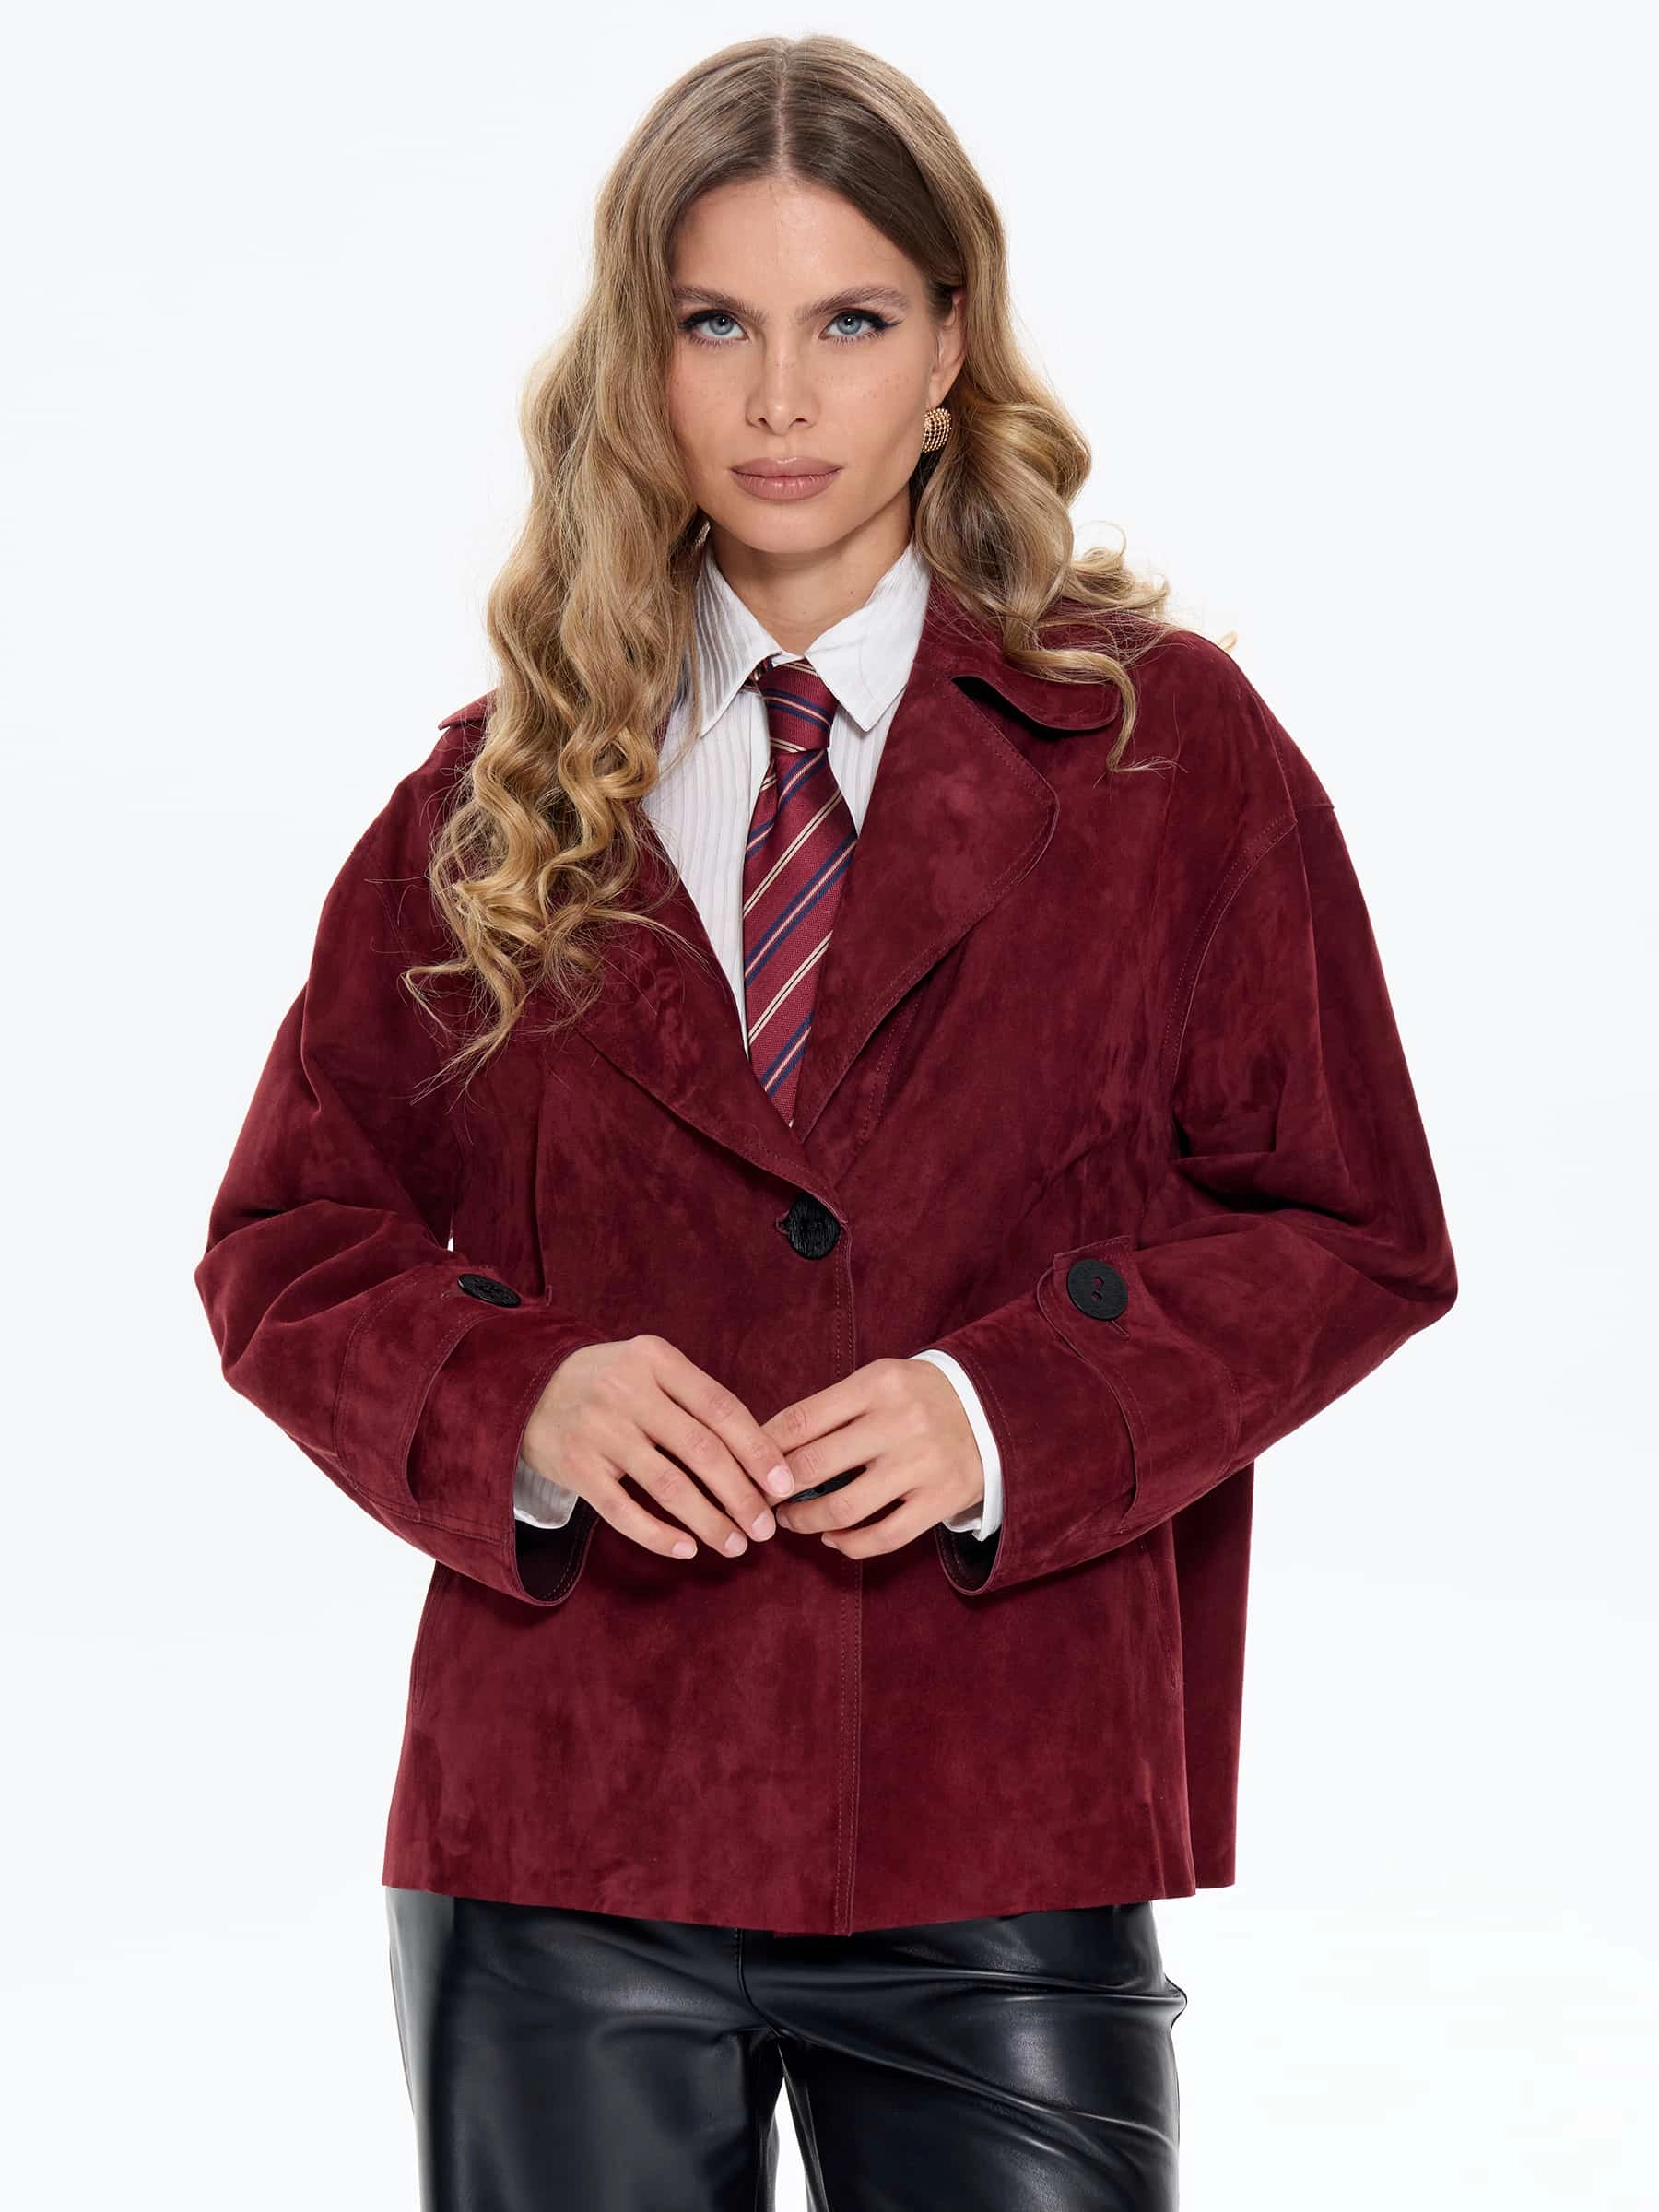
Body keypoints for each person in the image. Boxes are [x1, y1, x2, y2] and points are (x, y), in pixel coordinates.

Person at [193, 33, 1458, 2212]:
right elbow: (289, 1240)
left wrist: (1005, 1411)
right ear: (643, 357)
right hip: (566, 1831)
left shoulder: (1163, 755)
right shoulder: (491, 797)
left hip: (1003, 1816)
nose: (782, 400)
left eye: (849, 322)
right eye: (718, 324)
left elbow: (1352, 1226)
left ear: (950, 348)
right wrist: (519, 1395)